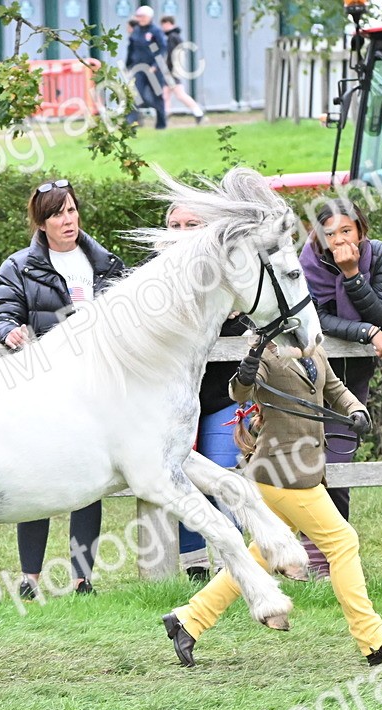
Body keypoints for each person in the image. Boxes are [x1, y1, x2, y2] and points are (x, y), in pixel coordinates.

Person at [161, 336, 382, 668]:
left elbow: (335, 387)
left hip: (305, 470)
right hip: (282, 473)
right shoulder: (267, 355)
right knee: (342, 541)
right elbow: (239, 392)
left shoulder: (313, 346)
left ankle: (189, 619)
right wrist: (246, 370)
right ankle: (373, 637)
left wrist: (355, 409)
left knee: (260, 555)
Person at [0, 178, 125, 597]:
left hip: (96, 387)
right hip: (41, 388)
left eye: (70, 210)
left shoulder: (105, 263)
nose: (67, 220)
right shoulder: (19, 266)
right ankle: (31, 579)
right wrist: (10, 331)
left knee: (91, 479)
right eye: (55, 214)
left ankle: (83, 577)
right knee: (37, 478)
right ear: (41, 223)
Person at [298, 199, 382, 577]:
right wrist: (366, 332)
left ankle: (334, 558)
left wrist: (353, 275)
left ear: (360, 230)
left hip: (351, 376)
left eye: (346, 231)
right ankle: (310, 556)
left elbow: (381, 314)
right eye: (330, 233)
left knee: (337, 465)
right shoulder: (306, 263)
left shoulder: (380, 256)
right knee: (305, 463)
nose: (339, 238)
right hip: (306, 369)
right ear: (318, 235)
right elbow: (313, 317)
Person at [165, 203, 246, 581]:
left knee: (224, 475)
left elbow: (251, 322)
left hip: (220, 396)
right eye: (174, 224)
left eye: (191, 224)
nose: (182, 230)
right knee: (180, 479)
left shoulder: (231, 274)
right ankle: (194, 565)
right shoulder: (156, 281)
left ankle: (233, 563)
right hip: (173, 404)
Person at [125, 5, 168, 131]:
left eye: (143, 16)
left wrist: (155, 65)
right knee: (135, 95)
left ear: (149, 17)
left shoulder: (155, 31)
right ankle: (131, 123)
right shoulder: (136, 31)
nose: (140, 19)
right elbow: (131, 48)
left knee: (157, 96)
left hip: (152, 70)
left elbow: (161, 49)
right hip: (139, 68)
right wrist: (128, 65)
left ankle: (161, 124)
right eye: (138, 16)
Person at [159, 15, 205, 124]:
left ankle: (198, 112)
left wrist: (169, 68)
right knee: (166, 94)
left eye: (163, 25)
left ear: (168, 23)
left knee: (178, 94)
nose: (162, 27)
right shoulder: (176, 36)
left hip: (172, 71)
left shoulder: (172, 37)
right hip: (174, 70)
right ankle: (165, 115)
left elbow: (172, 55)